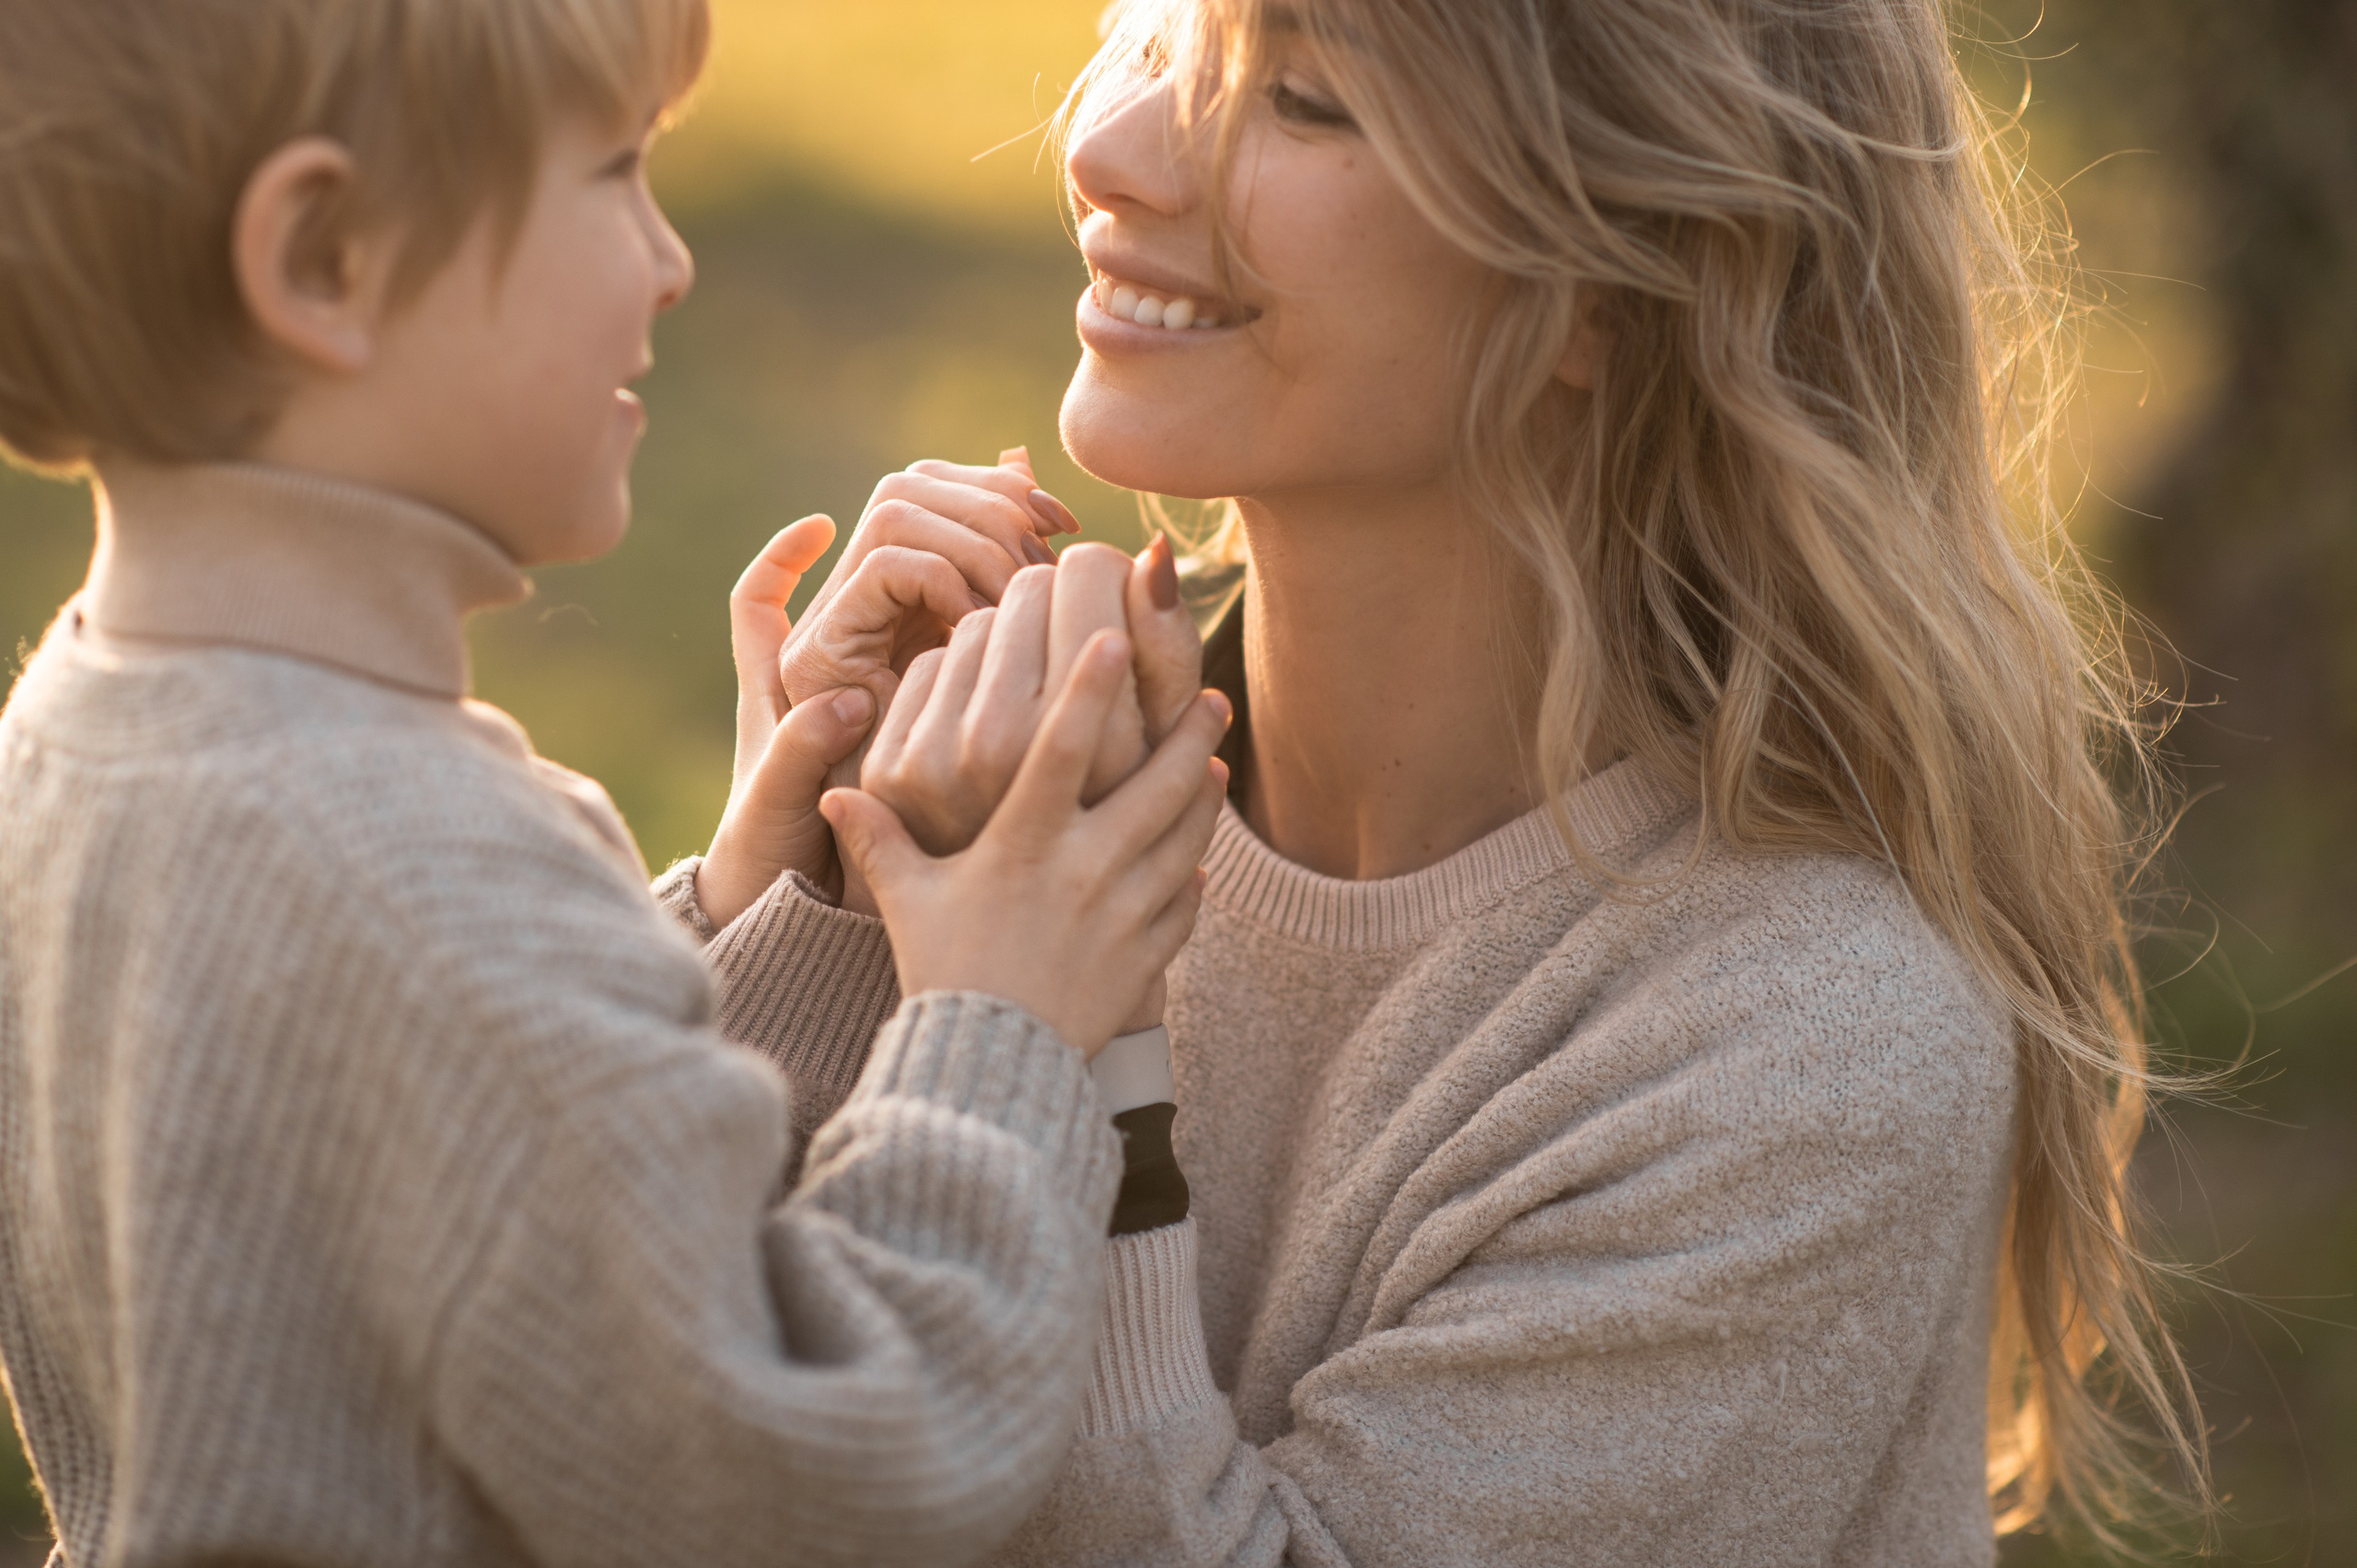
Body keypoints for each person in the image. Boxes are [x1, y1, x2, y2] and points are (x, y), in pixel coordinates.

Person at [730, 0, 2212, 1562]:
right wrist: (813, 894)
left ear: (1616, 289)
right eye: (1161, 51)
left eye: (1296, 100)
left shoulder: (1813, 1047)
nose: (1103, 152)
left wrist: (1053, 1053)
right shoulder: (1013, 806)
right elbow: (632, 1446)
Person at [0, 1, 1228, 1563]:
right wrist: (1004, 1028)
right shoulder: (422, 873)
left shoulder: (75, 741)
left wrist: (761, 904)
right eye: (612, 174)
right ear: (322, 259)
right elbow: (838, 1474)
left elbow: (509, 1207)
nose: (671, 259)